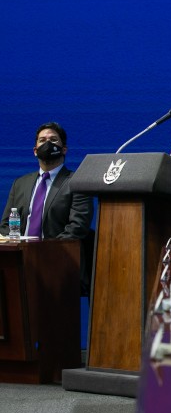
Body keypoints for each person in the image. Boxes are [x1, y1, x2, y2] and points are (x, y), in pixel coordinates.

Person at [1, 122, 94, 292]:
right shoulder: (20, 184)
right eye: (42, 140)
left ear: (64, 149)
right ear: (35, 150)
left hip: (59, 263)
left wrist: (43, 252)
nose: (48, 144)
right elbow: (6, 225)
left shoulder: (77, 182)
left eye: (53, 140)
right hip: (20, 263)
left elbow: (77, 227)